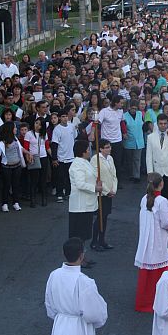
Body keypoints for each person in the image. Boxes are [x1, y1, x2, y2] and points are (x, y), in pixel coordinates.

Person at [134, 172, 168, 312]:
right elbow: (167, 224)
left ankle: (144, 302)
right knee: (160, 273)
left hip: (147, 240)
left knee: (147, 274)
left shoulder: (144, 198)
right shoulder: (162, 201)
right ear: (161, 184)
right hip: (159, 241)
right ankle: (159, 302)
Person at [68, 139, 105, 268]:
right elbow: (80, 184)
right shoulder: (77, 165)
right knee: (79, 236)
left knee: (83, 235)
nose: (89, 151)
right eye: (88, 149)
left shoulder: (85, 163)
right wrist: (95, 188)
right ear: (83, 151)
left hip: (86, 205)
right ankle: (78, 259)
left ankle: (82, 257)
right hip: (80, 206)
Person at [146, 113, 168, 214]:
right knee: (159, 195)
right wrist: (150, 172)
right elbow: (149, 155)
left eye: (165, 123)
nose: (163, 125)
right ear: (157, 124)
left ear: (167, 124)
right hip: (158, 171)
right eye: (160, 123)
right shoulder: (151, 137)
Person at [90, 138, 117, 250]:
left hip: (110, 192)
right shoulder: (95, 159)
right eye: (106, 147)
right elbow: (96, 177)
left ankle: (102, 240)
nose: (109, 149)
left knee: (105, 217)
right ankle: (94, 241)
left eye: (109, 147)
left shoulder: (110, 158)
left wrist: (113, 190)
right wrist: (106, 191)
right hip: (101, 194)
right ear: (100, 149)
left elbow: (114, 175)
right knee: (100, 217)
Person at [0, 121, 26, 212]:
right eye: (15, 127)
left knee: (16, 185)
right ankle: (5, 203)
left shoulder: (15, 139)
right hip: (6, 167)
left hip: (17, 165)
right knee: (6, 185)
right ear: (10, 129)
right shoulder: (2, 141)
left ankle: (16, 202)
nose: (16, 129)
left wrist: (28, 153)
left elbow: (21, 148)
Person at [51, 110, 77, 202]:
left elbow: (74, 138)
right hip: (61, 157)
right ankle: (59, 194)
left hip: (71, 157)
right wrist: (54, 158)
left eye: (66, 116)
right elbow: (54, 144)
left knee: (70, 177)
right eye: (62, 116)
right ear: (59, 118)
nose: (65, 118)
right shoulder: (57, 129)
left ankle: (69, 193)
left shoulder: (72, 127)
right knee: (60, 177)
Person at [123, 99, 145, 182]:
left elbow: (143, 125)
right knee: (129, 159)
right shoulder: (124, 116)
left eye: (135, 108)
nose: (134, 110)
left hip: (139, 140)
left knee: (137, 159)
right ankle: (130, 175)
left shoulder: (140, 114)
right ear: (129, 108)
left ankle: (136, 176)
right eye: (132, 108)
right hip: (129, 140)